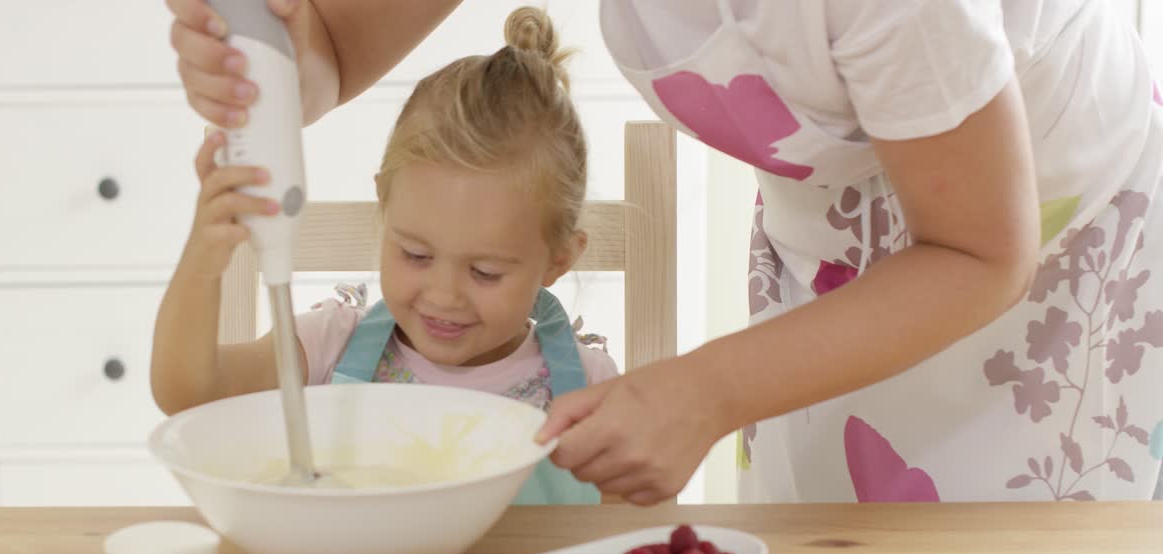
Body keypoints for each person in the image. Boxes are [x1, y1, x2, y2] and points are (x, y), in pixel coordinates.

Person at [167, 0, 1163, 504]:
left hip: (1050, 264)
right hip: (833, 261)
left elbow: (980, 249)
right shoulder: (346, 335)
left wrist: (704, 391)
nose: (444, 292)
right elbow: (332, 46)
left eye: (483, 268)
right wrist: (286, 62)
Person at [151, 7, 617, 505]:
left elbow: (630, 538)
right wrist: (203, 258)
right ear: (384, 209)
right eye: (415, 254)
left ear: (558, 260)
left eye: (485, 272)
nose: (443, 294)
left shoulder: (591, 390)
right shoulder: (328, 346)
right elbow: (189, 394)